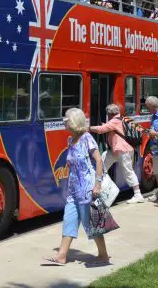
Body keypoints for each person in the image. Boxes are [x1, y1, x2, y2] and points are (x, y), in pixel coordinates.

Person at [44, 108, 108, 266]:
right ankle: (61, 256)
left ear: (73, 123)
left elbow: (99, 161)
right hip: (73, 190)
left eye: (66, 121)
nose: (64, 123)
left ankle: (103, 255)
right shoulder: (70, 140)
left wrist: (97, 184)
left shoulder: (87, 138)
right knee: (69, 220)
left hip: (87, 189)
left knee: (90, 224)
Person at [89, 104, 145, 204]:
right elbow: (109, 128)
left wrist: (88, 128)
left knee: (128, 171)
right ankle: (102, 188)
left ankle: (138, 195)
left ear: (109, 114)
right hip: (117, 150)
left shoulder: (114, 121)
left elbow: (101, 130)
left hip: (122, 150)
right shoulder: (122, 118)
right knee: (102, 164)